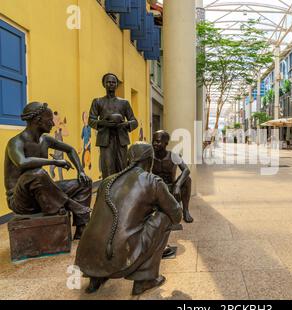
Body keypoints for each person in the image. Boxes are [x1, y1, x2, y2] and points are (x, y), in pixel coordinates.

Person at [75, 143, 182, 296]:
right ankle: (144, 279)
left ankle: (96, 277)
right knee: (165, 217)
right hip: (119, 256)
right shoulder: (152, 181)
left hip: (87, 258)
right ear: (149, 161)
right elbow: (176, 215)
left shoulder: (107, 181)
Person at [4, 102, 92, 240]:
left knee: (84, 183)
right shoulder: (15, 142)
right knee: (36, 173)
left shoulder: (45, 140)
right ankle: (71, 205)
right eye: (50, 120)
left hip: (41, 194)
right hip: (21, 200)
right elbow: (22, 163)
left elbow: (70, 150)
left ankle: (81, 228)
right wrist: (54, 161)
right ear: (38, 120)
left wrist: (80, 171)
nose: (53, 123)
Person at [88, 73, 138, 179]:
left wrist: (125, 124)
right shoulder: (97, 102)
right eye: (108, 82)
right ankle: (107, 192)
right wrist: (103, 123)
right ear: (104, 84)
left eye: (113, 82)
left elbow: (134, 121)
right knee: (107, 167)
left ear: (116, 85)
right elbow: (91, 120)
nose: (111, 84)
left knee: (122, 167)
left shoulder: (124, 103)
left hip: (121, 139)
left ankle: (122, 192)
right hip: (105, 139)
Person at [152, 130, 194, 223]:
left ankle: (185, 210)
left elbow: (186, 170)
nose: (155, 144)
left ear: (166, 143)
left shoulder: (173, 156)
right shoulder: (150, 156)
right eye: (153, 141)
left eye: (158, 141)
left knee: (187, 180)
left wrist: (178, 185)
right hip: (156, 189)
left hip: (171, 187)